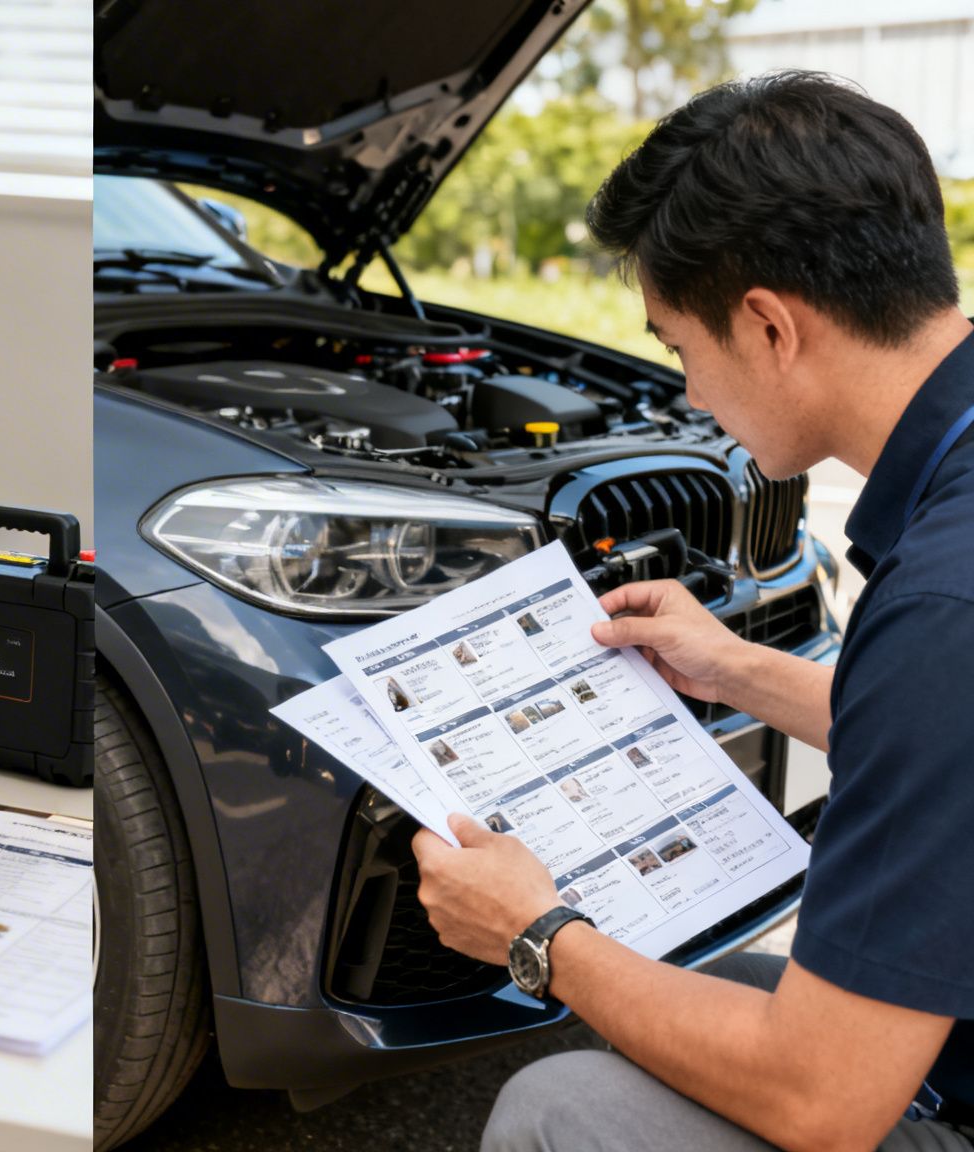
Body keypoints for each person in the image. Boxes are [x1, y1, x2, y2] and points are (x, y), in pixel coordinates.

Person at [412, 71, 974, 1151]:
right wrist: (734, 669)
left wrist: (535, 934)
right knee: (683, 982)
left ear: (767, 325)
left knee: (557, 1110)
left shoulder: (944, 608)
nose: (685, 394)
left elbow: (821, 1106)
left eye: (677, 346)